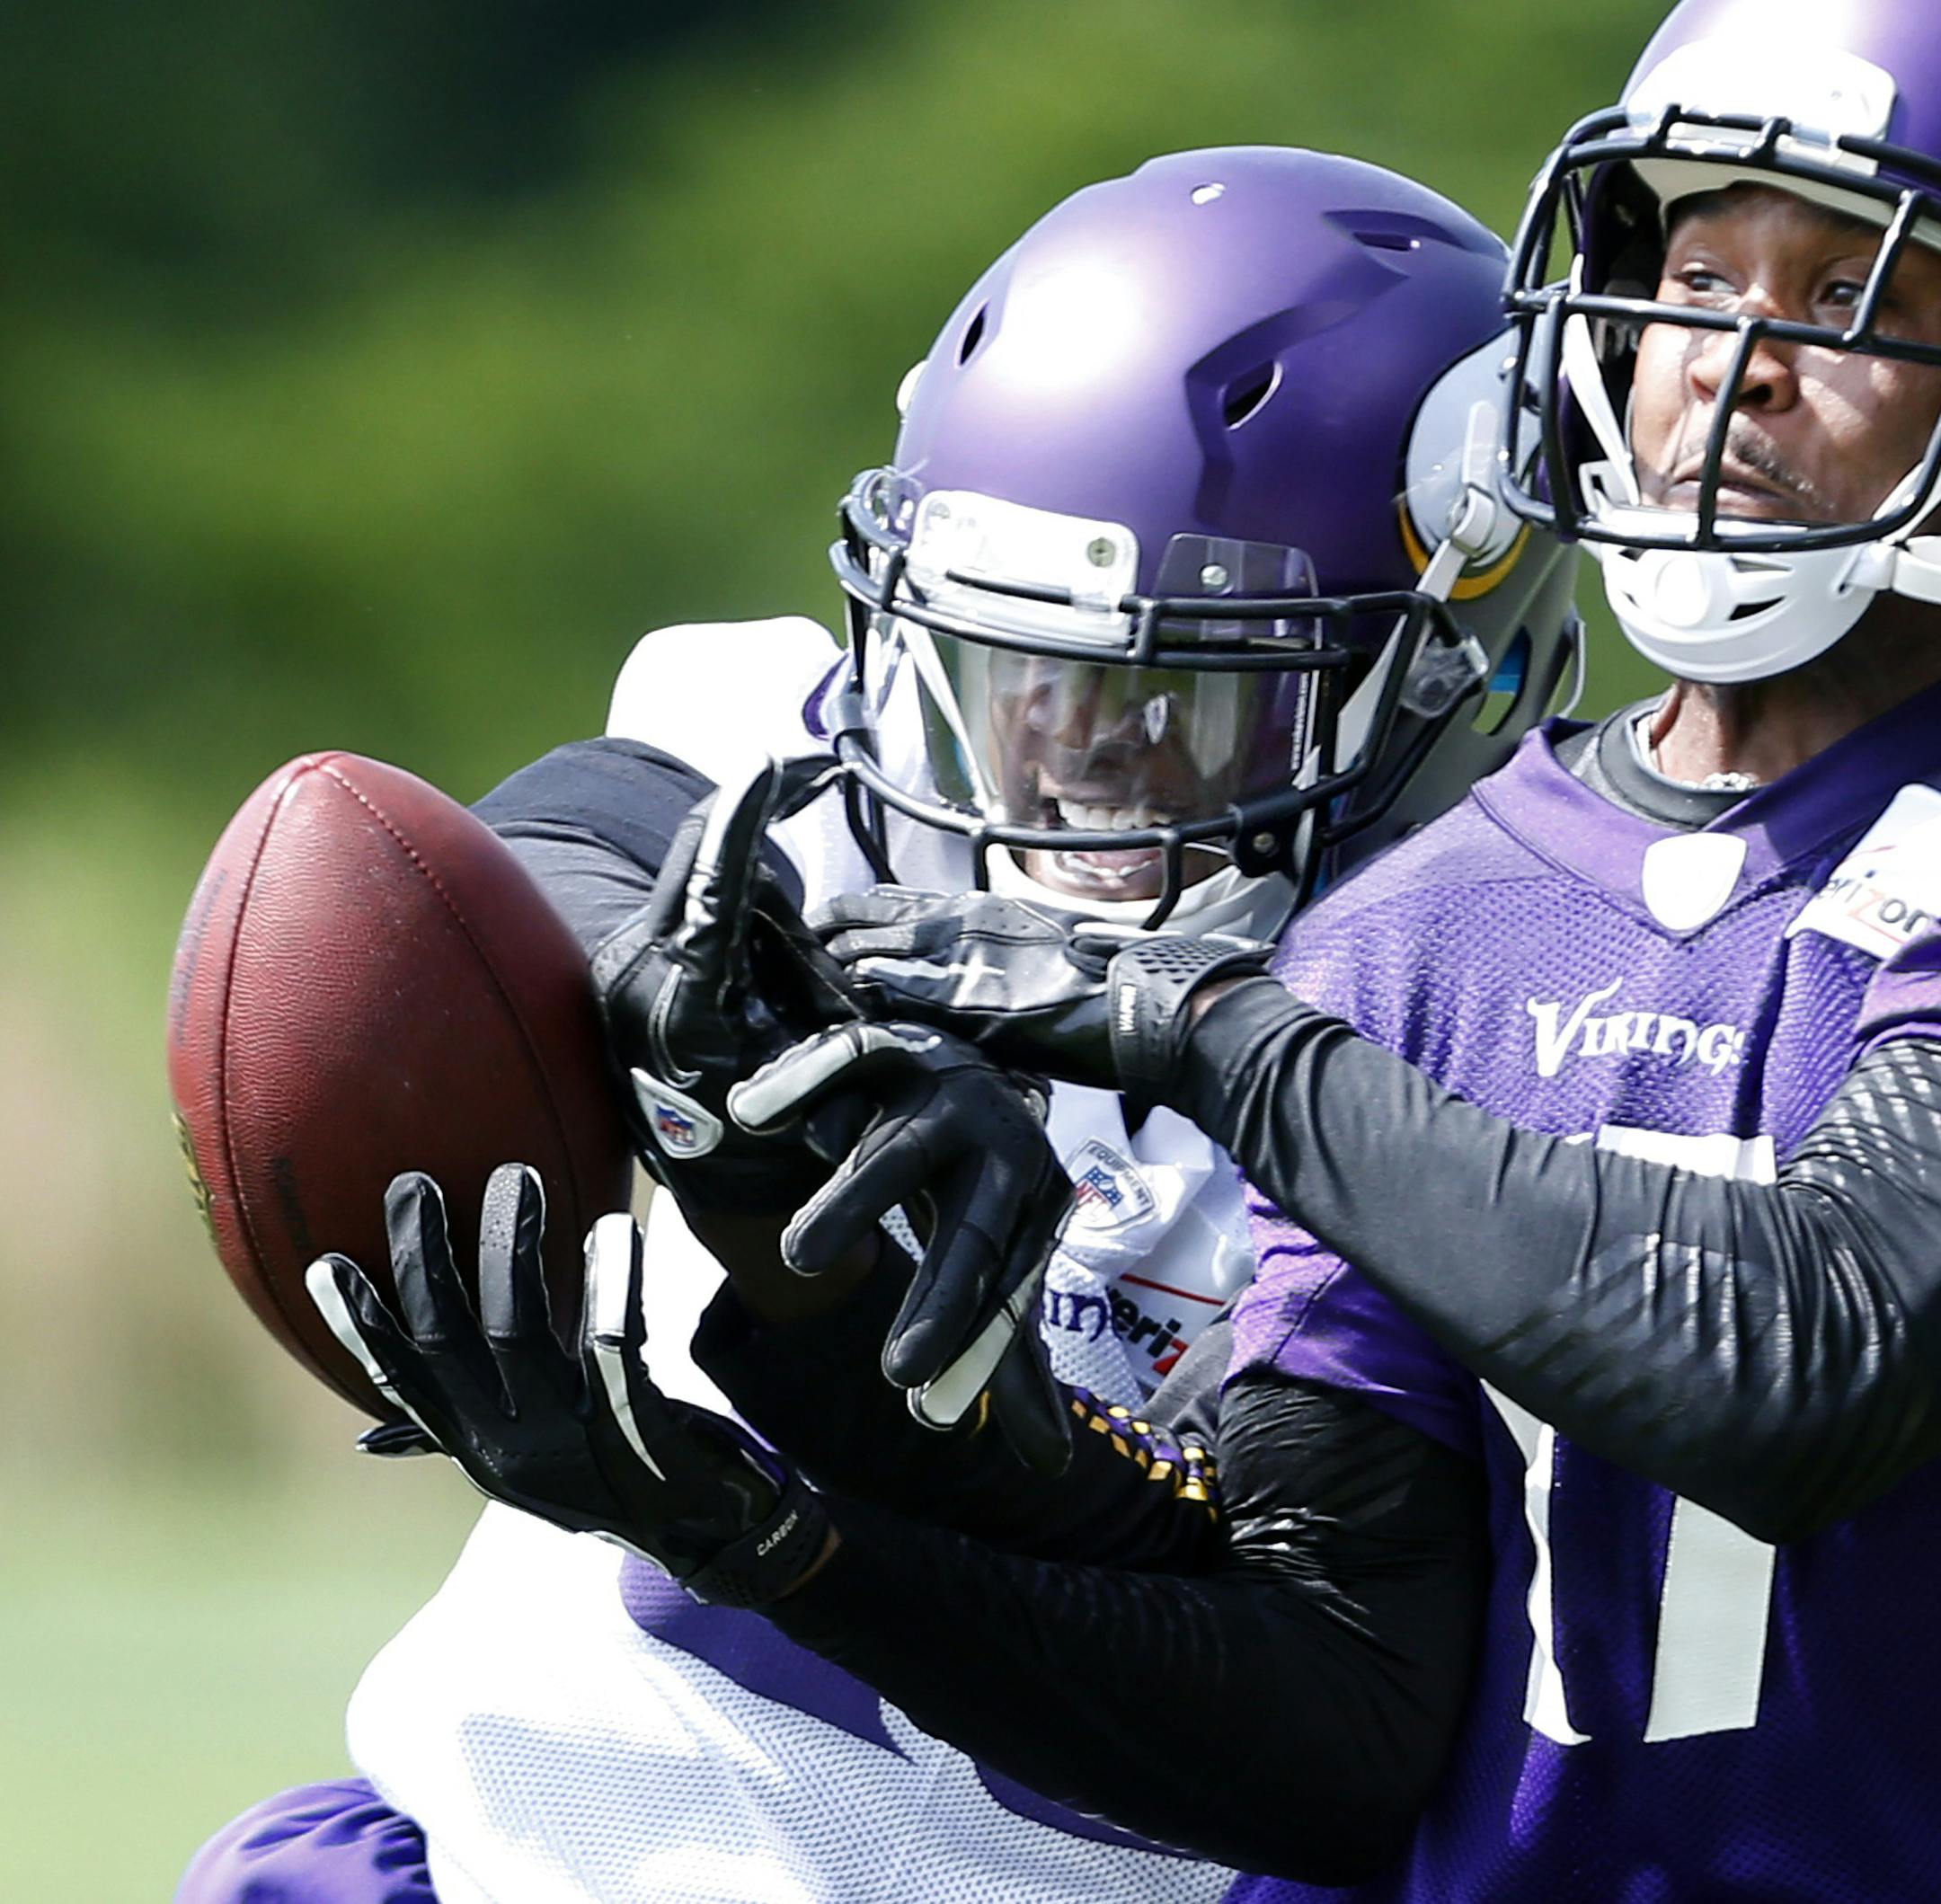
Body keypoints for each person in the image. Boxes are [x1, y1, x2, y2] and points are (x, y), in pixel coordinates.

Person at [177, 148, 1578, 1902]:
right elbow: (569, 829)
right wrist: (745, 1013)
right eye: (1018, 679)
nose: (1068, 766)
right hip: (491, 1850)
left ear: (1476, 671)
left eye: (1178, 699)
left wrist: (847, 1495)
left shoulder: (1523, 1046)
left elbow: (1331, 1709)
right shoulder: (835, 783)